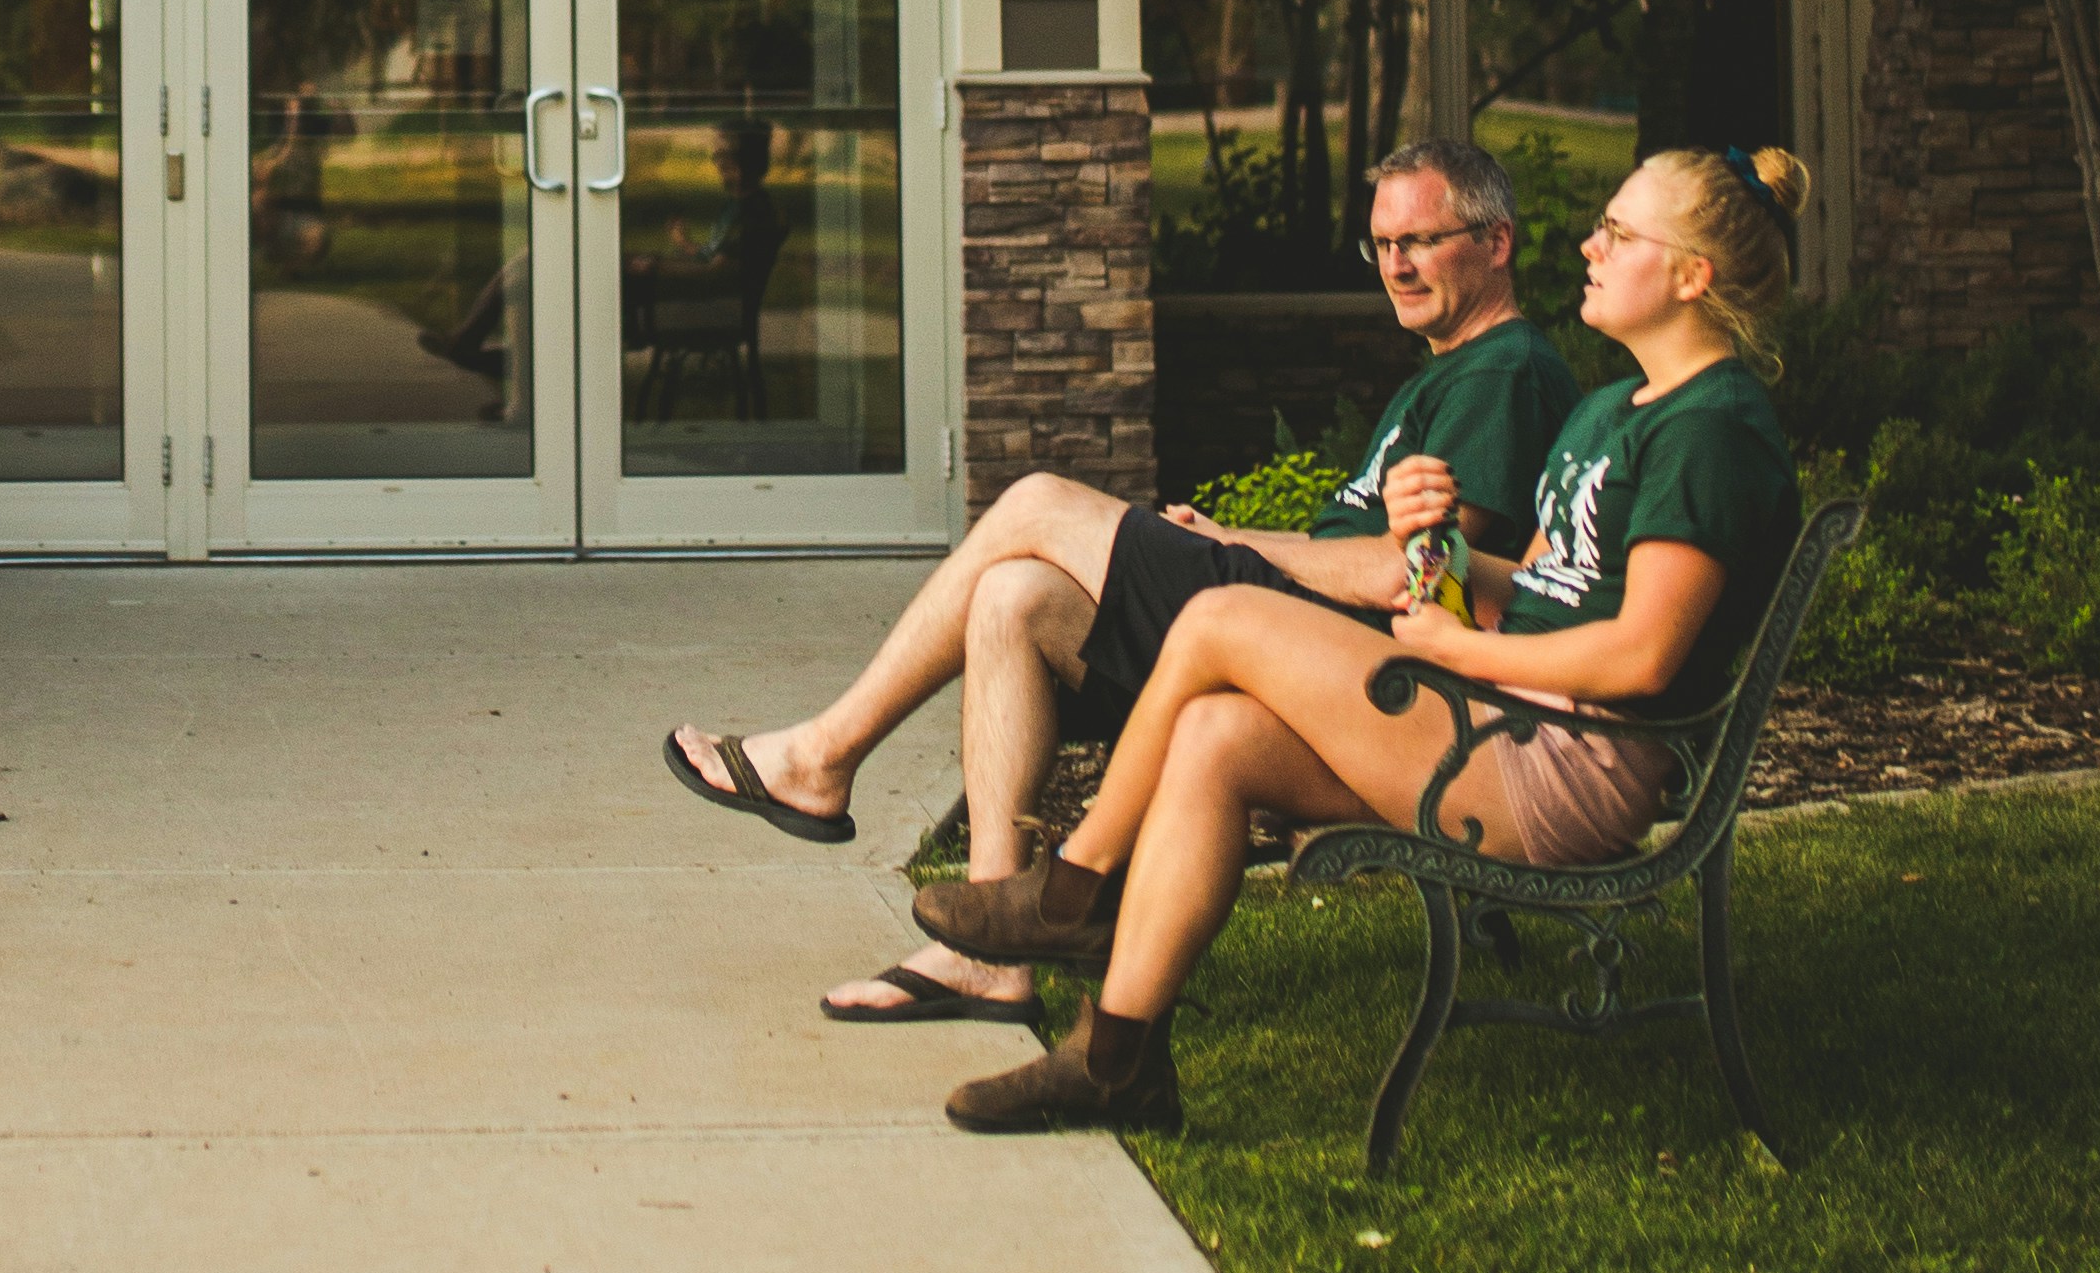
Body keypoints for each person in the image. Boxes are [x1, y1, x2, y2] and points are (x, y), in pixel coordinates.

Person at [916, 144, 1815, 1136]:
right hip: (1502, 725)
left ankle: (1073, 894)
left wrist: (1454, 648)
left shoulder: (1711, 433)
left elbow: (1636, 656)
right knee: (1214, 734)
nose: (1590, 247)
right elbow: (1548, 589)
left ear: (1692, 276)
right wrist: (1437, 549)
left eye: (1619, 233)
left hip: (1560, 768)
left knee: (1218, 618)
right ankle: (1118, 1064)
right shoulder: (1616, 409)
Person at [662, 138, 1575, 1026]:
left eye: (1420, 241)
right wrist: (1238, 542)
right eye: (1382, 244)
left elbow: (1408, 574)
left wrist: (1240, 547)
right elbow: (1384, 546)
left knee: (1034, 503)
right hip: (1297, 624)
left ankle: (822, 757)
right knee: (1012, 595)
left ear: (1495, 244)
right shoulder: (1450, 371)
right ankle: (988, 959)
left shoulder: (1507, 371)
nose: (1396, 265)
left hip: (1343, 664)